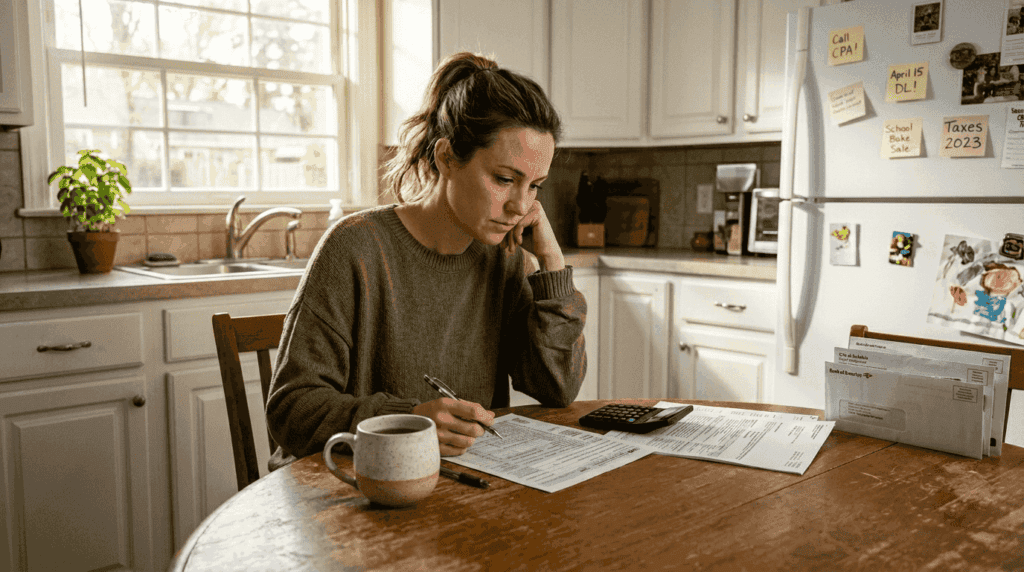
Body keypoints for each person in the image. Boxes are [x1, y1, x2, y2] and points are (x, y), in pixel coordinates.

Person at [265, 52, 587, 468]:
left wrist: (553, 265)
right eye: (505, 179)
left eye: (535, 185)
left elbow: (557, 388)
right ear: (447, 158)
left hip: (453, 487)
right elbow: (291, 410)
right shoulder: (354, 248)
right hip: (349, 486)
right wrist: (405, 422)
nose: (520, 205)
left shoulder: (504, 259)